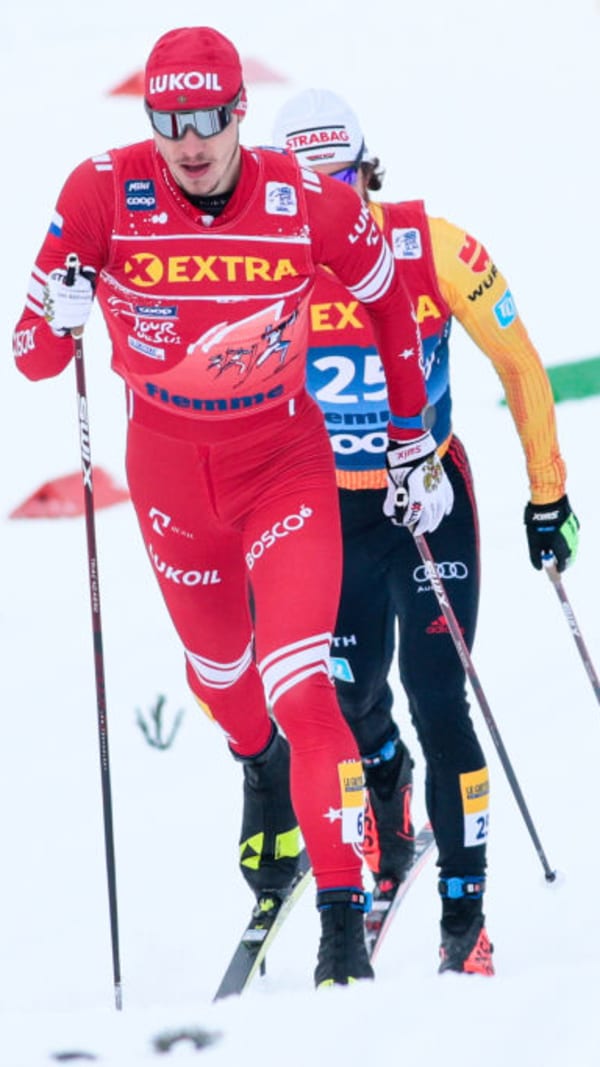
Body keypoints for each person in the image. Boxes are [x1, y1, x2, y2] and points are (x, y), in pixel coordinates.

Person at [12, 30, 455, 989]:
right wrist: (57, 312)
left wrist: (409, 437)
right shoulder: (100, 191)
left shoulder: (304, 199)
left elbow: (391, 301)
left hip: (284, 466)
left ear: (240, 112)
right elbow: (33, 358)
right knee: (222, 677)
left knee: (304, 685)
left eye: (208, 118)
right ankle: (261, 773)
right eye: (168, 121)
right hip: (170, 479)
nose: (189, 142)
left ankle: (342, 927)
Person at [272, 88, 580, 976]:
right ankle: (388, 791)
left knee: (441, 696)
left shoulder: (430, 246)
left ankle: (464, 915)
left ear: (365, 173)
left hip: (427, 498)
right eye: (304, 188)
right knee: (344, 696)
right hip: (329, 509)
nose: (326, 205)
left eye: (339, 182)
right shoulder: (265, 267)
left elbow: (518, 361)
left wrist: (548, 495)